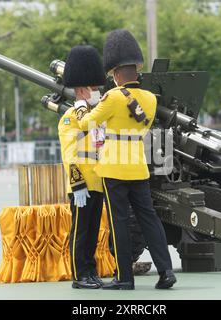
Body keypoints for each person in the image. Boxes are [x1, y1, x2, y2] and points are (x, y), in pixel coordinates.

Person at [76, 29, 176, 290]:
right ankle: (166, 271)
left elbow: (86, 124)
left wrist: (81, 106)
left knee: (118, 220)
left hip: (113, 167)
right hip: (138, 166)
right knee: (149, 219)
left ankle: (124, 278)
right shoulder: (151, 100)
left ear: (116, 74)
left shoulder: (112, 97)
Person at [58, 45, 106, 289]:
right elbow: (69, 154)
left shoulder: (93, 115)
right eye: (94, 88)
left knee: (93, 231)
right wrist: (77, 183)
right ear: (81, 89)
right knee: (81, 232)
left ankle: (91, 270)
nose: (97, 92)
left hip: (97, 181)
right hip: (82, 185)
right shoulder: (69, 118)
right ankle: (80, 275)